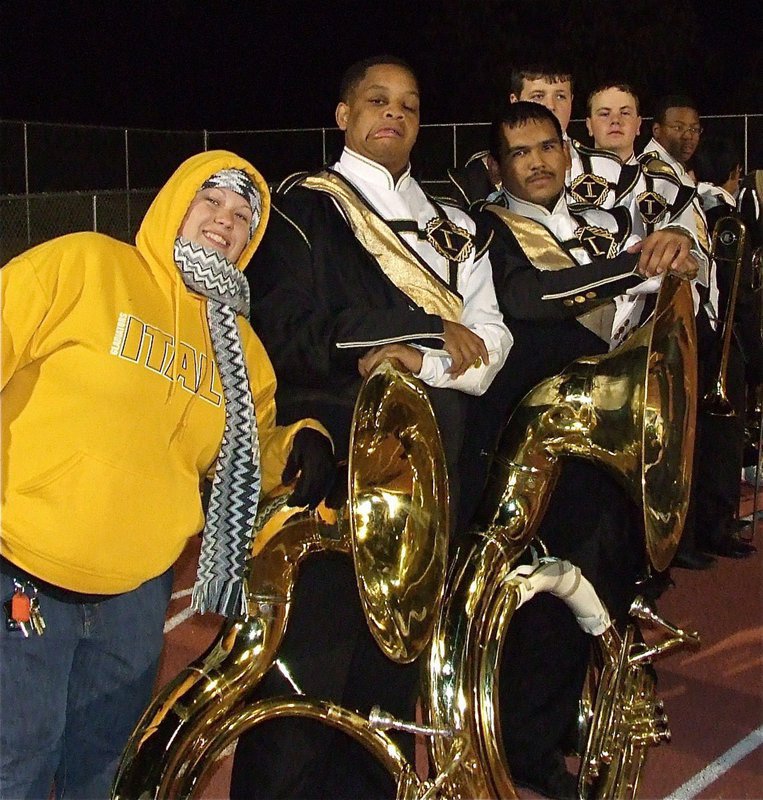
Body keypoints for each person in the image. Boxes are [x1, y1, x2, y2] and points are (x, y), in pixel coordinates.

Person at [0, 150, 336, 799]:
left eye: (243, 214)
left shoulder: (239, 346)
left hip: (136, 593)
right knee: (17, 755)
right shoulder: (87, 264)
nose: (225, 220)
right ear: (175, 202)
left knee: (102, 762)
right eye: (210, 200)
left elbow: (250, 443)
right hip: (25, 571)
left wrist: (302, 442)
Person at [229, 55, 511, 800]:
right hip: (332, 476)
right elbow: (284, 331)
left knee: (388, 679)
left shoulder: (451, 222)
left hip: (431, 474)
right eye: (377, 101)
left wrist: (415, 363)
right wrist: (408, 331)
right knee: (301, 673)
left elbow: (489, 345)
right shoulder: (300, 206)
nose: (394, 114)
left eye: (410, 105)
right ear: (344, 116)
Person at [462, 101, 700, 798]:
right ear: (497, 167)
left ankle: (563, 721)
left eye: (546, 148)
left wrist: (669, 257)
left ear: (567, 152)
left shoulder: (592, 228)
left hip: (592, 447)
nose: (536, 162)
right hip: (529, 448)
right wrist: (631, 265)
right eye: (519, 153)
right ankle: (523, 754)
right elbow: (530, 298)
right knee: (536, 606)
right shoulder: (486, 227)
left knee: (589, 595)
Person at [688, 137, 759, 558]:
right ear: (732, 175)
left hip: (701, 334)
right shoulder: (725, 214)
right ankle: (714, 528)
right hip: (720, 338)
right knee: (719, 441)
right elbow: (740, 291)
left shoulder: (695, 207)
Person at [447, 63, 579, 207]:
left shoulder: (602, 167)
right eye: (538, 96)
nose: (550, 105)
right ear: (514, 101)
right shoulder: (478, 176)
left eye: (560, 96)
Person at [643, 93, 703, 186]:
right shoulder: (654, 175)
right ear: (656, 130)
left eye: (694, 129)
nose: (688, 136)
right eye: (678, 128)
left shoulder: (676, 167)